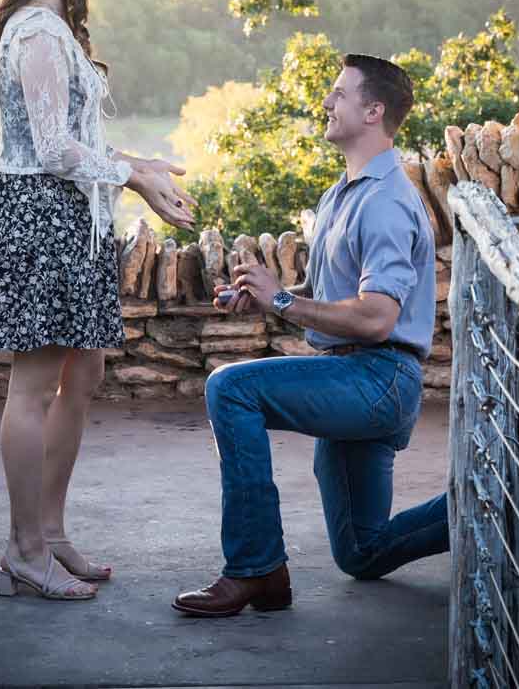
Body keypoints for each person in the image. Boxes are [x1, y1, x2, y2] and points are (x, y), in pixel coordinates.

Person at [0, 0, 194, 602]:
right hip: (40, 219)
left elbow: (81, 145)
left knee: (85, 373)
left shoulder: (57, 29)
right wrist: (133, 176)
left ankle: (51, 530)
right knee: (33, 386)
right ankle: (23, 548)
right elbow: (55, 149)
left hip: (72, 220)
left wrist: (146, 170)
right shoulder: (36, 32)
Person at [172, 54, 450, 618]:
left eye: (339, 94)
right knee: (362, 553)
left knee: (231, 389)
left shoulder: (388, 201)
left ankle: (256, 570)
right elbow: (330, 294)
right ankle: (490, 502)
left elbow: (375, 318)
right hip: (357, 378)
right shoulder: (343, 194)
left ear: (373, 111)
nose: (326, 102)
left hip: (377, 378)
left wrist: (282, 300)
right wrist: (270, 293)